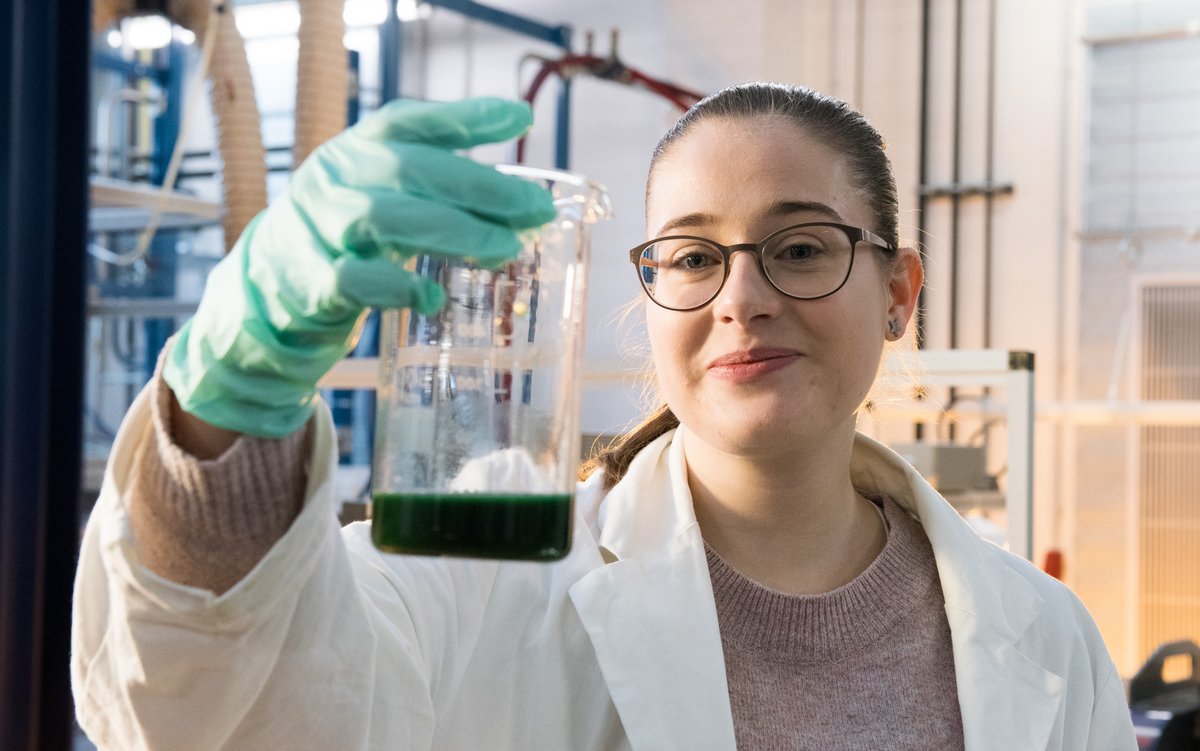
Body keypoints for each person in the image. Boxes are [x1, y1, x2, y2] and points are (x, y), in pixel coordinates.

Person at [72, 85, 1136, 750]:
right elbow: (217, 713)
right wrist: (230, 405)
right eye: (690, 257)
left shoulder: (1043, 637)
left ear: (899, 290)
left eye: (800, 247)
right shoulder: (494, 573)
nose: (739, 296)